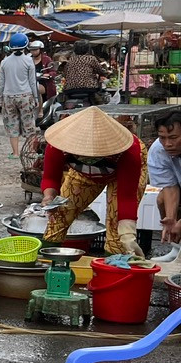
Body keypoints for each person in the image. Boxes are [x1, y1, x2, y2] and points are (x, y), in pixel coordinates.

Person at [41, 106, 146, 257]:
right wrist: (49, 197)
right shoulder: (58, 143)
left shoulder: (130, 150)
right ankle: (47, 265)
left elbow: (126, 196)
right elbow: (51, 177)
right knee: (59, 216)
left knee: (117, 231)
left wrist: (128, 234)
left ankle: (112, 271)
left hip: (122, 177)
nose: (88, 156)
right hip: (83, 175)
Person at [0, 32, 41, 160]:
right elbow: (33, 81)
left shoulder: (4, 62)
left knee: (12, 124)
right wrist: (36, 98)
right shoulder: (28, 61)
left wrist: (0, 98)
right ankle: (32, 152)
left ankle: (15, 153)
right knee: (29, 124)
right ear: (26, 45)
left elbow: (1, 82)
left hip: (8, 96)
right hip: (25, 96)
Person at [148, 109, 181, 246]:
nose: (167, 144)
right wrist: (171, 219)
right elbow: (169, 186)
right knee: (162, 200)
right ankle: (175, 247)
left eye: (173, 138)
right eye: (162, 138)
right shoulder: (158, 150)